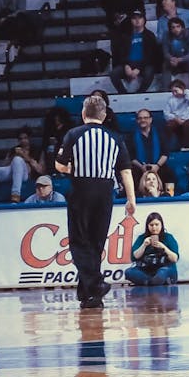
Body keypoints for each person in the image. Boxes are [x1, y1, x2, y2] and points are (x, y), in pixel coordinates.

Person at [55, 95, 136, 309]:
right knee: (95, 242)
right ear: (105, 115)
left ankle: (96, 285)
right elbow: (126, 171)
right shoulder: (115, 138)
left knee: (80, 243)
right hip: (105, 192)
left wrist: (72, 168)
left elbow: (59, 165)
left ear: (83, 114)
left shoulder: (73, 134)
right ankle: (90, 295)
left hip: (81, 190)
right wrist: (131, 199)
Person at [109, 10, 160, 94]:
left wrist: (139, 68)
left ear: (144, 20)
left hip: (143, 64)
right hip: (129, 63)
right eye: (134, 18)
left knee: (149, 72)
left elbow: (150, 56)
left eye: (139, 18)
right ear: (131, 21)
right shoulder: (125, 36)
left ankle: (140, 93)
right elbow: (122, 53)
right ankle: (123, 93)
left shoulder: (149, 35)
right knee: (113, 73)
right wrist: (126, 66)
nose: (137, 20)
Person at [125, 212, 179, 286]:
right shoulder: (142, 238)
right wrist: (144, 245)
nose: (154, 228)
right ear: (147, 226)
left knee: (162, 273)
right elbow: (134, 257)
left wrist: (164, 248)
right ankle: (152, 281)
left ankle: (151, 282)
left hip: (164, 268)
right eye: (151, 225)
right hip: (147, 271)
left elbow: (175, 258)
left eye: (157, 225)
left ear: (161, 225)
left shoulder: (168, 237)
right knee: (129, 272)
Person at [127, 110, 174, 189]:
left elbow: (165, 153)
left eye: (145, 118)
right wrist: (142, 167)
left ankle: (169, 196)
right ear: (137, 120)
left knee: (170, 174)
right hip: (140, 168)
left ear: (150, 119)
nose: (143, 120)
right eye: (140, 118)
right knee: (131, 176)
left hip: (158, 166)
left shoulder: (160, 133)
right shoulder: (131, 136)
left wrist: (157, 166)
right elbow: (131, 157)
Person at [163, 79, 189, 150]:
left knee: (188, 124)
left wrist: (185, 93)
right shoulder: (170, 100)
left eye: (176, 91)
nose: (174, 93)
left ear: (182, 89)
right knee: (169, 125)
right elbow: (166, 113)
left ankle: (187, 146)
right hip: (176, 118)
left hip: (188, 118)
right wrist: (176, 118)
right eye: (172, 92)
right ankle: (168, 148)